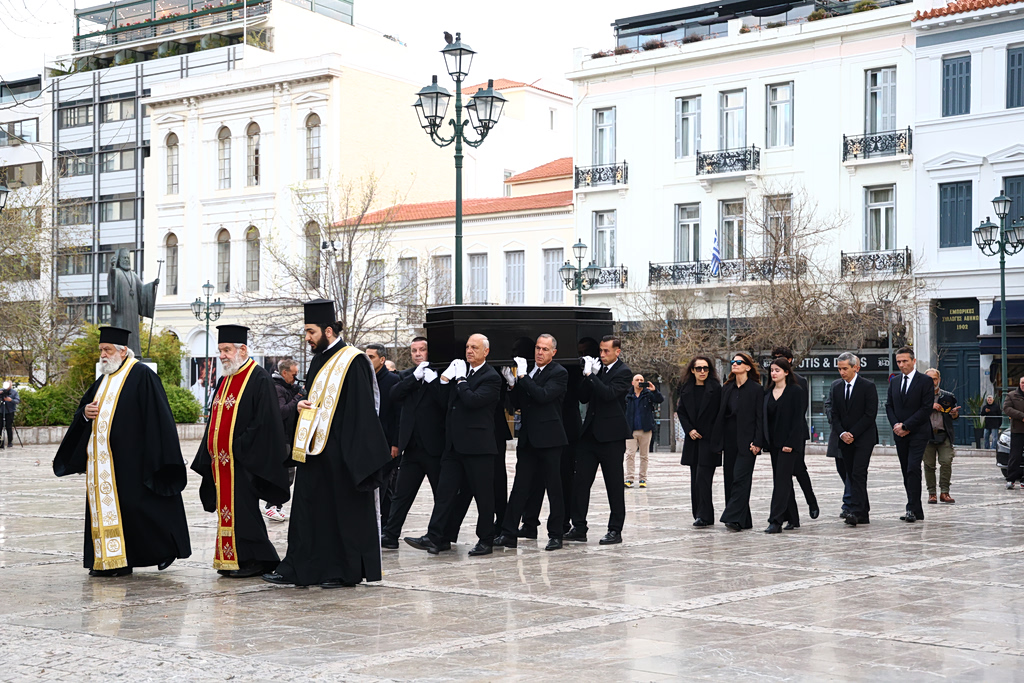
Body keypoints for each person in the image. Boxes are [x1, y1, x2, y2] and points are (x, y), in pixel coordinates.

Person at [263, 299, 392, 588]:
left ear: (329, 330)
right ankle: (298, 568)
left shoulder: (353, 360)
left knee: (341, 514)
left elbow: (361, 411)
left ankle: (341, 571)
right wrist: (302, 408)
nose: (307, 338)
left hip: (342, 453)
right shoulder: (319, 358)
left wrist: (354, 456)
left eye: (311, 331)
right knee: (308, 511)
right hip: (314, 450)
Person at [53, 326, 191, 577]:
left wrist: (159, 455)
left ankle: (164, 550)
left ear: (123, 350)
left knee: (142, 510)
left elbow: (159, 417)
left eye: (107, 350)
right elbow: (84, 410)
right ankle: (111, 561)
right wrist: (84, 414)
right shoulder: (104, 378)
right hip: (104, 464)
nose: (103, 355)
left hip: (135, 461)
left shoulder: (141, 375)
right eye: (101, 351)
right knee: (117, 513)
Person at [191, 325, 292, 578]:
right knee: (229, 511)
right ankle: (232, 558)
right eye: (221, 350)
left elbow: (265, 422)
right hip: (222, 462)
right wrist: (210, 449)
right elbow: (215, 418)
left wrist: (237, 447)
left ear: (242, 349)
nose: (222, 355)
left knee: (244, 512)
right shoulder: (226, 378)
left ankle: (255, 560)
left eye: (226, 350)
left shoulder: (258, 378)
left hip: (246, 461)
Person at [404, 333, 502, 557]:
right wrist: (443, 381)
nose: (469, 351)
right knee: (446, 493)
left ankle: (486, 539)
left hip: (478, 447)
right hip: (454, 445)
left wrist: (459, 380)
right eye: (467, 347)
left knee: (483, 496)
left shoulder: (491, 376)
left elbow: (472, 400)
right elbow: (445, 401)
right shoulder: (462, 372)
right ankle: (435, 536)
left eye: (474, 347)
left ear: (485, 351)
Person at [494, 334, 569, 551]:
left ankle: (556, 534)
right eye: (537, 348)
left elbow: (543, 396)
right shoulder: (531, 372)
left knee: (554, 489)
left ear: (553, 352)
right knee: (520, 487)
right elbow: (519, 404)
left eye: (545, 349)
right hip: (528, 439)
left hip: (550, 439)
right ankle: (508, 533)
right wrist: (512, 385)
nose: (539, 352)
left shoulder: (559, 373)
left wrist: (523, 377)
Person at [566, 335, 633, 545]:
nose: (602, 355)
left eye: (606, 351)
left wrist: (591, 375)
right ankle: (578, 526)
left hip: (611, 436)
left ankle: (615, 529)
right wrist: (587, 377)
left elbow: (608, 394)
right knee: (580, 483)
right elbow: (583, 397)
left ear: (617, 352)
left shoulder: (623, 372)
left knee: (613, 484)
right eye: (601, 351)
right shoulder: (597, 369)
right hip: (590, 435)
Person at [382, 337, 445, 548]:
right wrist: (414, 378)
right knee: (401, 494)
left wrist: (433, 381)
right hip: (411, 446)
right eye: (413, 351)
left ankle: (441, 537)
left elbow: (444, 403)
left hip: (435, 446)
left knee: (441, 495)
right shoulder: (407, 375)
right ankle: (390, 536)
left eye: (422, 350)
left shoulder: (441, 374)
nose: (417, 354)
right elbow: (394, 395)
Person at [767, 346, 818, 519]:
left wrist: (791, 439)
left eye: (780, 358)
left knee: (798, 469)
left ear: (789, 361)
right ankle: (792, 516)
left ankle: (811, 501)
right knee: (783, 476)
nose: (776, 361)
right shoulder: (770, 386)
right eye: (774, 358)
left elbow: (799, 412)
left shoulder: (799, 383)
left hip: (795, 435)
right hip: (776, 438)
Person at [715, 352, 764, 532]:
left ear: (748, 367)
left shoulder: (756, 389)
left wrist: (758, 441)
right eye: (733, 362)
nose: (734, 364)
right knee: (730, 479)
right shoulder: (727, 388)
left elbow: (760, 417)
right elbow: (721, 416)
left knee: (741, 479)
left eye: (738, 362)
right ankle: (744, 520)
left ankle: (732, 517)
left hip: (748, 442)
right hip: (729, 441)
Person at [885, 346, 934, 523]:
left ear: (913, 361)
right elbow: (889, 405)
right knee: (906, 470)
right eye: (898, 361)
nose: (902, 364)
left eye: (905, 361)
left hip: (918, 432)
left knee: (913, 467)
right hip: (900, 433)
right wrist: (896, 426)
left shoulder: (925, 381)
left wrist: (907, 425)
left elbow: (926, 408)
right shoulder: (895, 382)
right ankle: (915, 508)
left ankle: (911, 508)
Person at [829, 352, 878, 527]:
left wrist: (853, 433)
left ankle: (856, 511)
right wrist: (842, 433)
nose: (842, 372)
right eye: (839, 369)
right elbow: (834, 414)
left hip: (863, 438)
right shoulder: (836, 388)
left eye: (845, 369)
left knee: (858, 472)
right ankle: (862, 511)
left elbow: (869, 414)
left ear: (855, 368)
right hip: (844, 439)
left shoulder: (868, 386)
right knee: (851, 474)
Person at [762, 357, 807, 534]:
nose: (774, 373)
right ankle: (793, 518)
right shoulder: (767, 392)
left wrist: (791, 443)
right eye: (772, 370)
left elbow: (798, 420)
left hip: (789, 445)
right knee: (783, 480)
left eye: (777, 370)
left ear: (786, 372)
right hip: (773, 444)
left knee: (781, 482)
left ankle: (775, 520)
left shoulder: (795, 391)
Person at [675, 356, 722, 527]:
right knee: (695, 478)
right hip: (693, 440)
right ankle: (698, 514)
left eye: (705, 368)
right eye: (698, 368)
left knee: (703, 478)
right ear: (692, 370)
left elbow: (719, 414)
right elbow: (681, 411)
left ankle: (705, 515)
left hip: (709, 440)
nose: (702, 371)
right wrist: (689, 429)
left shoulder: (716, 388)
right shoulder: (686, 388)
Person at [365, 343, 401, 527]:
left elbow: (397, 415)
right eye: (366, 357)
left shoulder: (392, 381)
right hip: (370, 440)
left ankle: (385, 523)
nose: (368, 361)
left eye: (371, 357)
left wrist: (396, 443)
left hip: (387, 441)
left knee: (385, 483)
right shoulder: (365, 379)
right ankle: (383, 522)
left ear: (382, 359)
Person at [266, 358, 303, 522]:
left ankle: (277, 505)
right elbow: (282, 412)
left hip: (288, 436)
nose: (296, 379)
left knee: (289, 474)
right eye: (294, 375)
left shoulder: (287, 388)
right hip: (280, 438)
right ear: (284, 373)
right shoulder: (276, 388)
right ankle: (271, 506)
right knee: (282, 474)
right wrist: (298, 399)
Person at [923, 368, 959, 505]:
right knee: (929, 465)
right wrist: (929, 406)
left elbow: (953, 416)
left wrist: (954, 414)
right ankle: (932, 494)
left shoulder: (948, 396)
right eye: (929, 379)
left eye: (934, 379)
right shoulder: (920, 397)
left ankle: (945, 492)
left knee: (946, 462)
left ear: (939, 380)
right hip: (927, 436)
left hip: (944, 435)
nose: (932, 382)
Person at [624, 374, 664, 488]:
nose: (639, 382)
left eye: (642, 380)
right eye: (637, 380)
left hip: (645, 429)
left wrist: (654, 390)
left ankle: (642, 479)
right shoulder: (627, 395)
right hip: (631, 430)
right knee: (630, 454)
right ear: (632, 382)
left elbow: (660, 400)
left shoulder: (648, 394)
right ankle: (629, 478)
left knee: (644, 455)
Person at [824, 377, 854, 519]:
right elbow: (828, 405)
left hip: (855, 436)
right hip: (838, 434)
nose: (842, 372)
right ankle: (855, 496)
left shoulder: (864, 386)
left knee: (852, 472)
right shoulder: (836, 385)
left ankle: (848, 504)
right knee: (842, 469)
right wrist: (835, 421)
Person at [1003, 376, 1024, 489]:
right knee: (1015, 455)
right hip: (1018, 430)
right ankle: (1011, 479)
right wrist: (1021, 416)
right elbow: (1007, 408)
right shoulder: (1012, 395)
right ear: (1019, 383)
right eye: (1022, 382)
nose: (1023, 384)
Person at [0, 379, 19, 449]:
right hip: (1, 411)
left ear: (11, 385)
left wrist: (11, 400)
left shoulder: (14, 392)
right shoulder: (1, 391)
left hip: (10, 411)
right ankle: (0, 442)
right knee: (0, 426)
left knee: (9, 427)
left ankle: (10, 442)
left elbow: (17, 400)